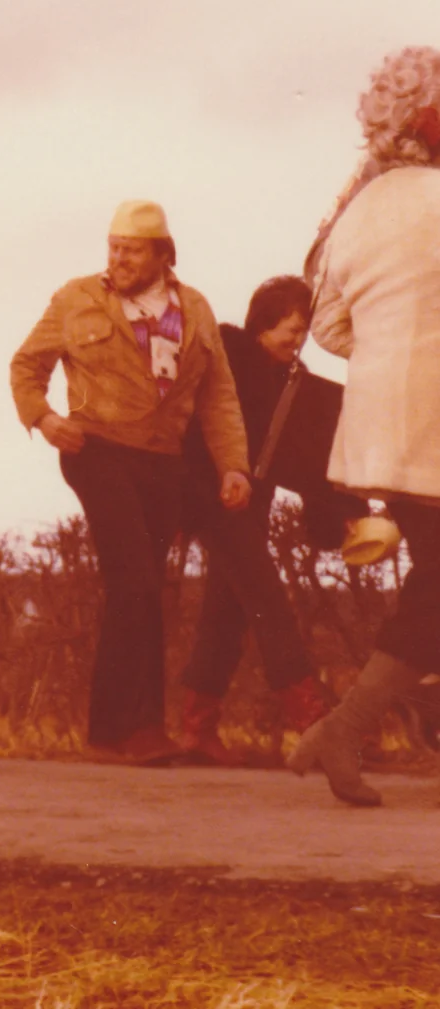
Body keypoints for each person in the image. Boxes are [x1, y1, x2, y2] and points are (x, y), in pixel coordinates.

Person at [11, 200, 251, 764]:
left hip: (162, 461)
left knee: (139, 588)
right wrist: (45, 419)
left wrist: (233, 465)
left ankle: (109, 733)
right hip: (96, 450)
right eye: (113, 246)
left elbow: (219, 397)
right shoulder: (77, 298)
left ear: (163, 254)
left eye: (132, 249)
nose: (118, 258)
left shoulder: (193, 309)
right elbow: (27, 366)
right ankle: (137, 729)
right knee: (136, 580)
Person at [291, 45, 440, 806]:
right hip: (435, 426)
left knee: (436, 582)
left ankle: (346, 727)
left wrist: (389, 352)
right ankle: (346, 726)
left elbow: (327, 326)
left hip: (381, 429)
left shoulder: (357, 213)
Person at [177, 276, 366, 764]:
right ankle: (319, 729)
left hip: (248, 504)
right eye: (293, 328)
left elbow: (311, 455)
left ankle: (197, 730)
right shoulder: (226, 362)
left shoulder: (291, 384)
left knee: (226, 609)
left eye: (303, 331)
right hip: (213, 496)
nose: (298, 339)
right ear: (263, 322)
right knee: (267, 603)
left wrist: (346, 511)